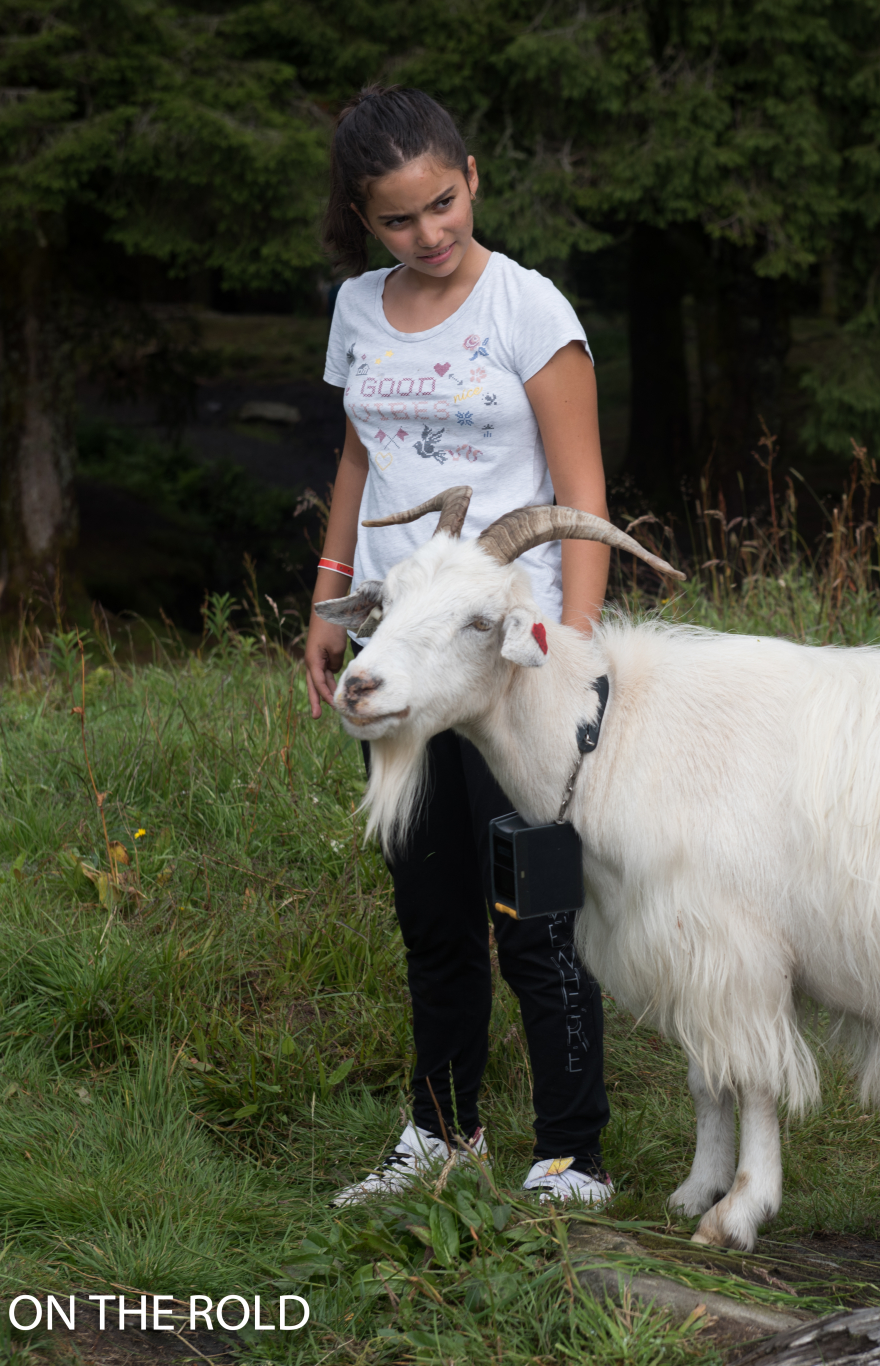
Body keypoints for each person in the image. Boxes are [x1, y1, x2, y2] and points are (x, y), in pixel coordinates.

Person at [302, 84, 612, 1207]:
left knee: (534, 911)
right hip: (405, 652)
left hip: (510, 659)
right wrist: (329, 600)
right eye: (399, 220)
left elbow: (580, 492)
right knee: (428, 908)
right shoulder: (357, 312)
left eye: (443, 204)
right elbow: (354, 462)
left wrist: (571, 656)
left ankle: (571, 1148)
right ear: (362, 218)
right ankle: (442, 1131)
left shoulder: (527, 309)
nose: (429, 235)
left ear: (471, 176)